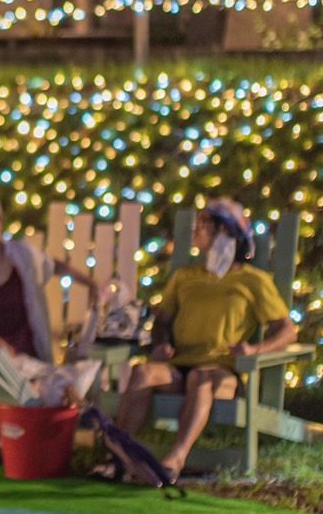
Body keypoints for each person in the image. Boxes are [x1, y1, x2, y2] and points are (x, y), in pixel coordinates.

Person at [115, 198, 296, 480]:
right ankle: (119, 458)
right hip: (178, 366)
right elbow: (162, 320)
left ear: (226, 231)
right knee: (143, 372)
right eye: (197, 223)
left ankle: (175, 459)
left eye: (205, 223)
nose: (196, 230)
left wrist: (255, 349)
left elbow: (287, 330)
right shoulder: (185, 276)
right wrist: (161, 342)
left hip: (222, 370)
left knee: (201, 377)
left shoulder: (254, 280)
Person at [0, 187, 100, 462]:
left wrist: (90, 283)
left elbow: (55, 266)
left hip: (21, 339)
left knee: (8, 379)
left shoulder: (21, 255)